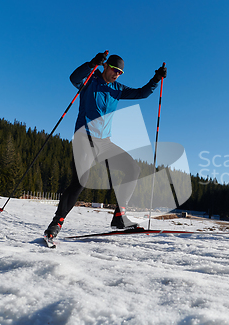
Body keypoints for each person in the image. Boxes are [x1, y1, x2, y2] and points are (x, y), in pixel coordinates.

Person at [44, 52, 167, 239]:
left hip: (104, 142)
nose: (116, 74)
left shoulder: (118, 89)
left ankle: (119, 216)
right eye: (114, 70)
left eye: (120, 72)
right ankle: (56, 223)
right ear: (105, 66)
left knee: (132, 168)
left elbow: (141, 93)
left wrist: (156, 79)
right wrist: (91, 63)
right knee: (80, 181)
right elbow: (74, 78)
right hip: (84, 139)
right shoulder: (90, 80)